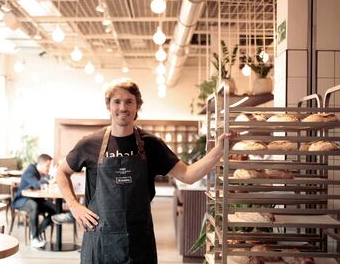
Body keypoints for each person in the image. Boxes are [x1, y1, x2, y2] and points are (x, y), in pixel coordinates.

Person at [56, 81, 232, 263]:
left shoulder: (152, 145)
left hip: (138, 241)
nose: (122, 107)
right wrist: (75, 207)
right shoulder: (90, 143)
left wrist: (218, 150)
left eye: (129, 101)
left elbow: (187, 175)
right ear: (109, 106)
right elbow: (61, 172)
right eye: (117, 101)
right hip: (99, 241)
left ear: (137, 105)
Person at [12, 154, 57, 248]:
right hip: (22, 200)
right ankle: (35, 238)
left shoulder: (41, 173)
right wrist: (49, 176)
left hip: (36, 199)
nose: (48, 169)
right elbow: (36, 185)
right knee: (33, 206)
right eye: (47, 166)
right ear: (40, 164)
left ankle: (36, 233)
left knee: (56, 209)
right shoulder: (30, 170)